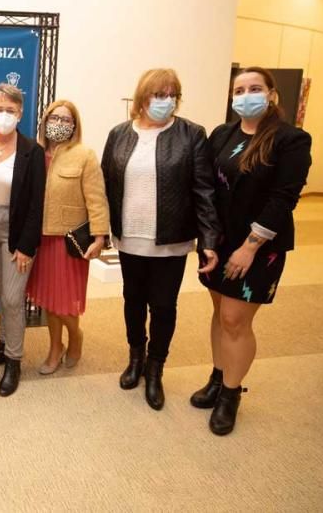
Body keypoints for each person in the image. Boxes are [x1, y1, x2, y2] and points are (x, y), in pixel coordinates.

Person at [194, 67, 311, 435]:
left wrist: (250, 246)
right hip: (219, 242)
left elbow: (283, 198)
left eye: (255, 88)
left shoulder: (291, 139)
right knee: (218, 311)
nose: (246, 95)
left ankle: (231, 393)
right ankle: (218, 376)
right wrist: (208, 241)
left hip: (261, 246)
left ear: (272, 94)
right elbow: (208, 189)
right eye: (240, 89)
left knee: (235, 319)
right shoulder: (222, 135)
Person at [102, 68, 220, 411]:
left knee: (164, 306)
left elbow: (204, 191)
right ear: (143, 97)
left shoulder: (191, 135)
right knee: (133, 301)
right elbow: (106, 183)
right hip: (129, 238)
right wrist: (100, 229)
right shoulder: (119, 134)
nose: (165, 101)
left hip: (170, 240)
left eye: (172, 95)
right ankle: (135, 359)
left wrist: (208, 238)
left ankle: (156, 369)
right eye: (158, 94)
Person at [24, 100, 106, 378]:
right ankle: (54, 347)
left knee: (66, 301)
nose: (58, 124)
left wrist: (99, 236)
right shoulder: (34, 154)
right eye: (54, 118)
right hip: (40, 240)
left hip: (69, 241)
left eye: (65, 120)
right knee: (48, 301)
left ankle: (76, 335)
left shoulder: (84, 155)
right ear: (45, 122)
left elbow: (96, 199)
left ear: (74, 126)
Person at [0, 84, 45, 396]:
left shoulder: (33, 150)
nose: (4, 115)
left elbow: (35, 203)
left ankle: (14, 361)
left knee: (14, 298)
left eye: (10, 110)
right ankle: (3, 346)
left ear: (20, 113)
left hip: (17, 230)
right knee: (2, 293)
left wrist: (27, 246)